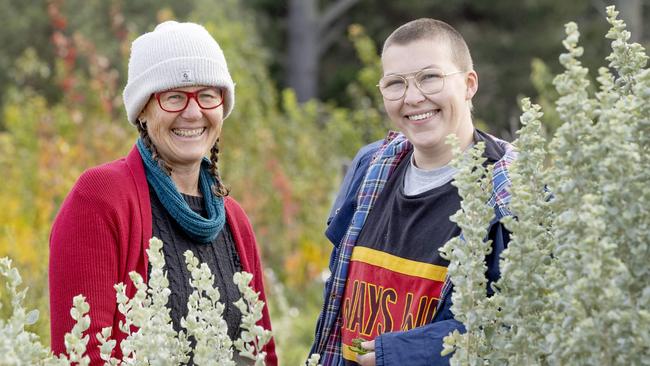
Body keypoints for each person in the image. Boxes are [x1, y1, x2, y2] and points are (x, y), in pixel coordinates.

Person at [49, 21, 277, 365]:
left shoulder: (234, 221)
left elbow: (262, 353)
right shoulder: (99, 198)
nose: (192, 111)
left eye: (207, 95)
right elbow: (80, 355)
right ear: (143, 109)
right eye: (173, 97)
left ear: (221, 105)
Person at [308, 18, 516, 366]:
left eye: (430, 77)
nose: (413, 97)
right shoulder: (370, 166)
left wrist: (402, 353)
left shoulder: (511, 194)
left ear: (468, 84)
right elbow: (337, 304)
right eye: (395, 84)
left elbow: (516, 330)